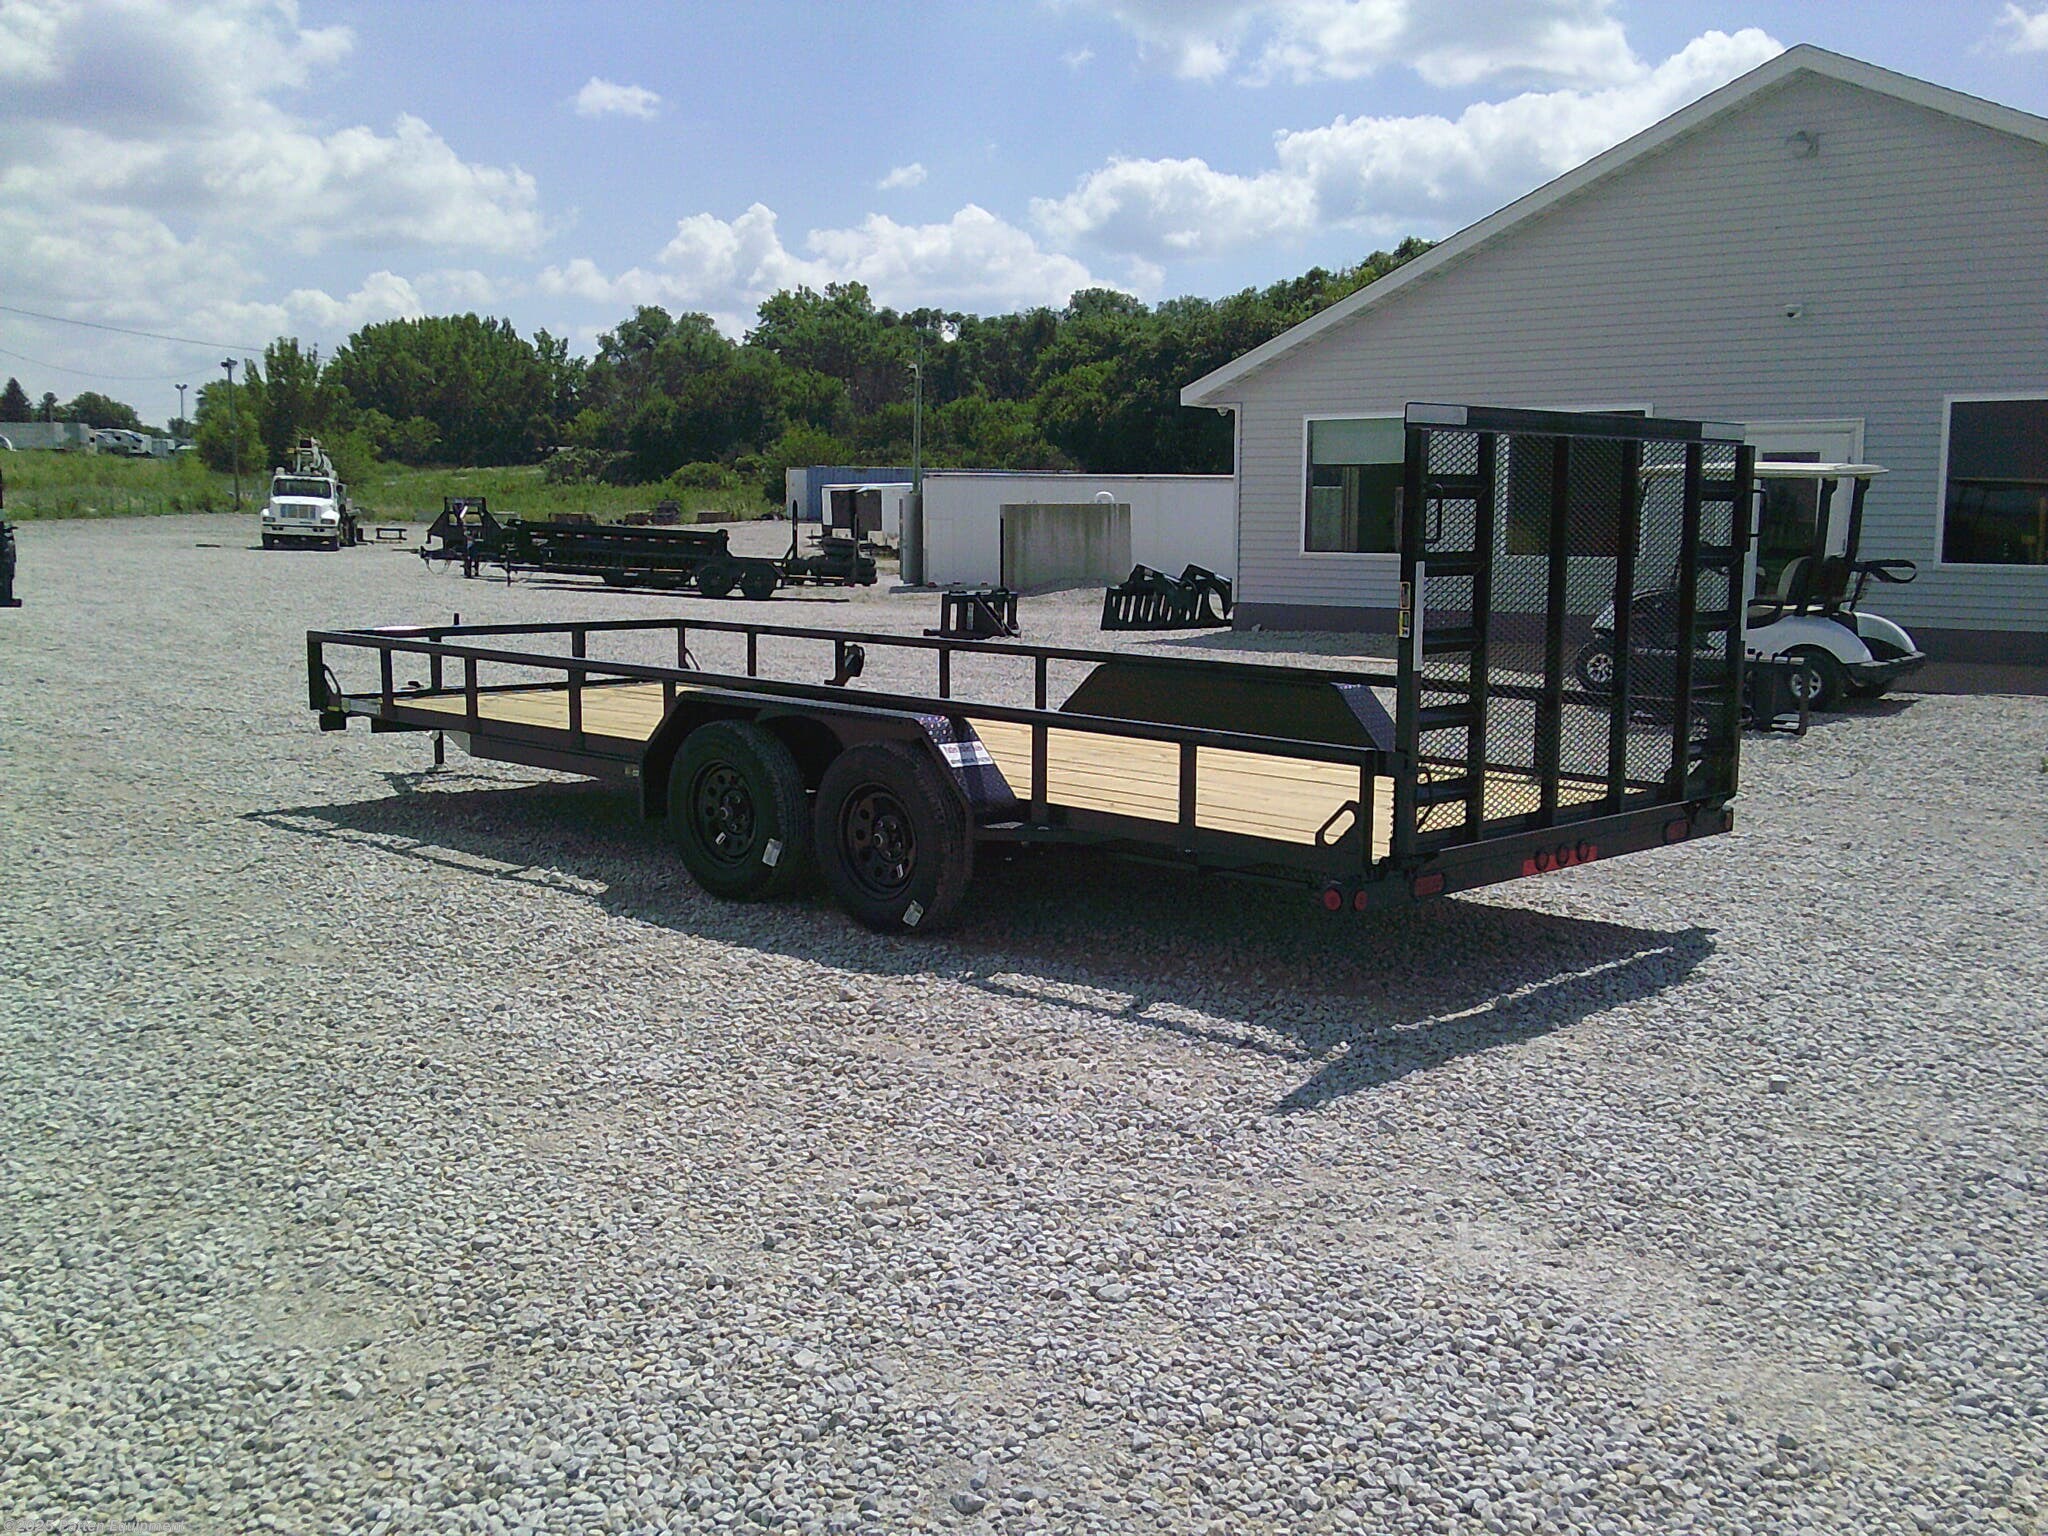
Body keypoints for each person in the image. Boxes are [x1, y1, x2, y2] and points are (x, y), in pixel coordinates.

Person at [458, 500, 484, 579]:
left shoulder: (463, 513)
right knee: (471, 552)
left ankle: (469, 571)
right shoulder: (465, 513)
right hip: (472, 541)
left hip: (471, 541)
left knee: (470, 552)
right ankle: (472, 570)